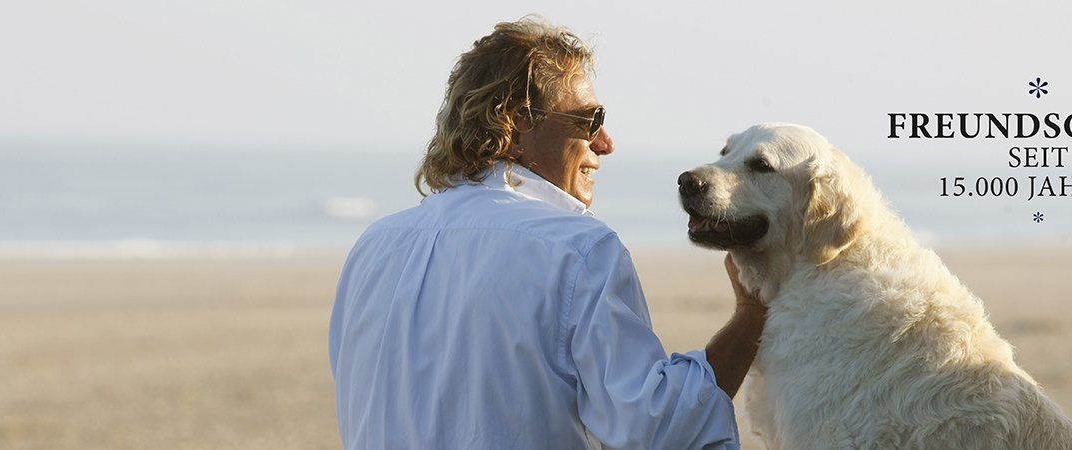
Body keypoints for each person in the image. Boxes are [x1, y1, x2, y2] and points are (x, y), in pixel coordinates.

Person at [327, 17, 767, 449]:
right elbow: (657, 429)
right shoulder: (577, 250)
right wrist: (751, 311)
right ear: (517, 123)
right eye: (590, 120)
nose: (606, 143)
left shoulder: (375, 245)